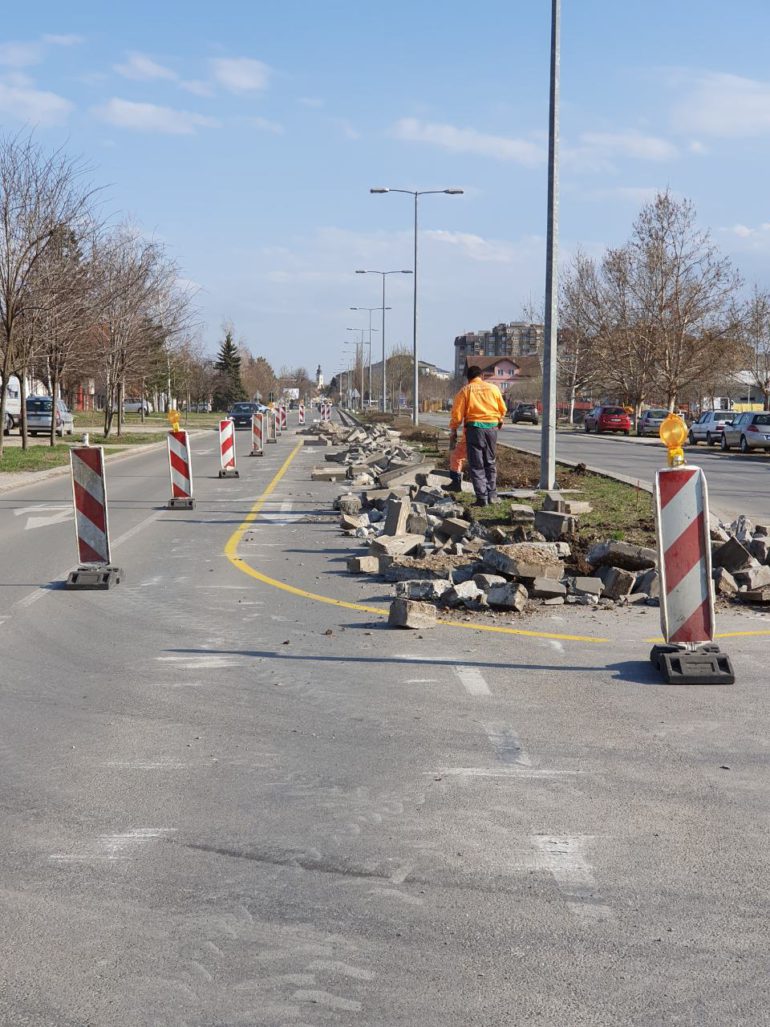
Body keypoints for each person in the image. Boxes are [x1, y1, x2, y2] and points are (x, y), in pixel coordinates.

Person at [449, 365, 507, 506]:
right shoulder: (494, 388)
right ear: (481, 377)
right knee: (490, 462)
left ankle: (482, 498)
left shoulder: (465, 391)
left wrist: (453, 430)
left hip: (474, 429)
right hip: (492, 428)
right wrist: (499, 421)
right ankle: (492, 495)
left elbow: (457, 415)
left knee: (477, 464)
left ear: (468, 379)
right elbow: (503, 409)